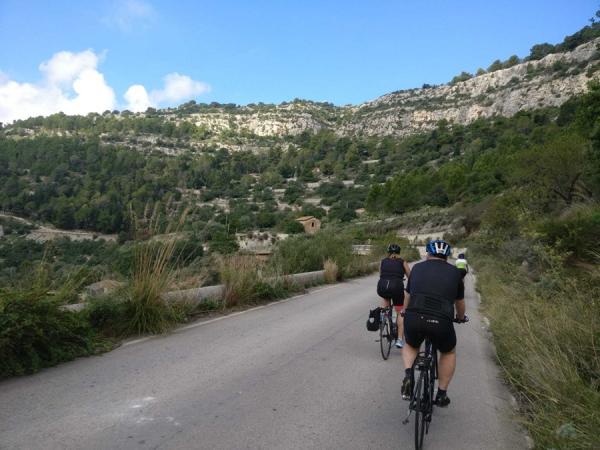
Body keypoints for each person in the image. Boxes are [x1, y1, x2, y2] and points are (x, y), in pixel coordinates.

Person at [401, 239, 466, 407]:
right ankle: (442, 394)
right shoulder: (455, 273)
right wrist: (460, 317)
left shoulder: (417, 268)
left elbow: (408, 295)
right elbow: (459, 303)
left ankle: (408, 374)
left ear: (428, 254)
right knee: (448, 352)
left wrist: (404, 312)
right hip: (441, 319)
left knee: (410, 344)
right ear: (447, 256)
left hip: (415, 315)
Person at [377, 243, 411, 348]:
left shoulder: (383, 261)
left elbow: (381, 274)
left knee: (386, 299)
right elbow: (410, 276)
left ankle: (383, 315)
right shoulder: (402, 262)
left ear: (388, 253)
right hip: (396, 287)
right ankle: (399, 340)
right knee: (400, 312)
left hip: (383, 287)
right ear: (399, 253)